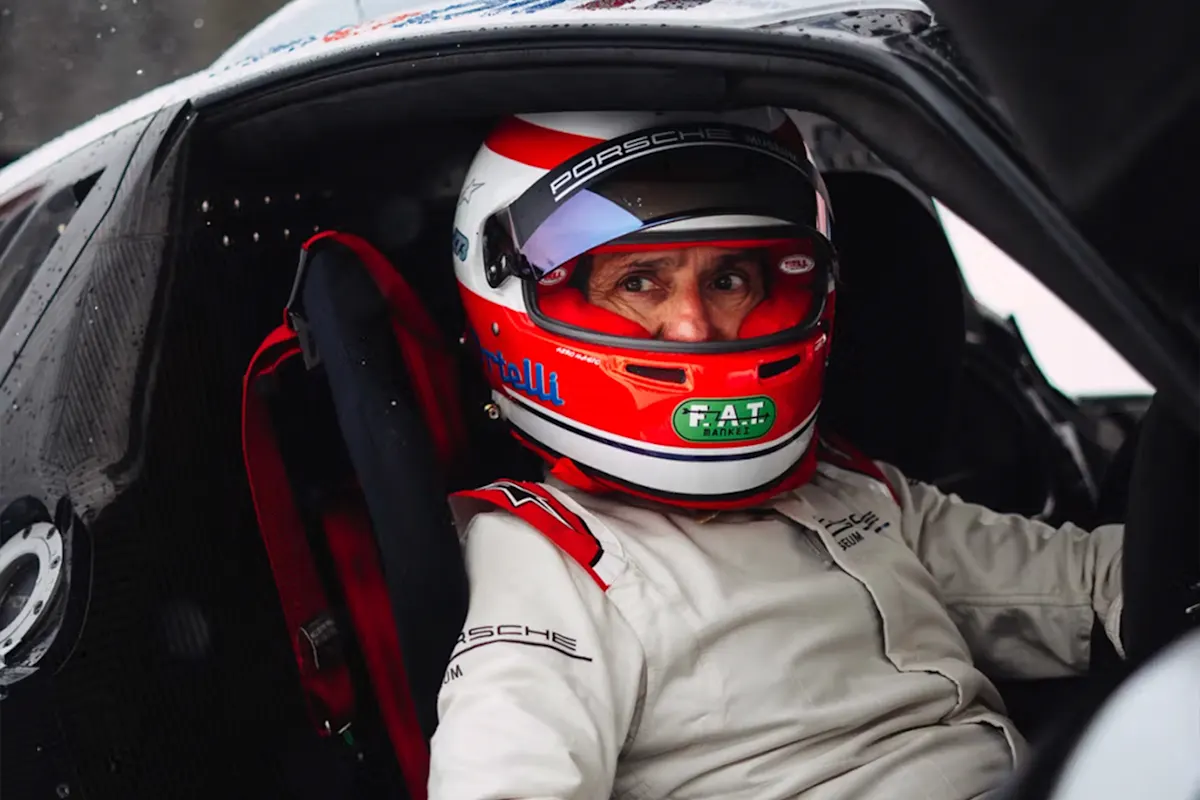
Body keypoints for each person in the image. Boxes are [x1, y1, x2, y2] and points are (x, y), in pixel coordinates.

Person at [430, 107, 1125, 800]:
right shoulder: (550, 558)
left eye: (727, 282)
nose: (694, 328)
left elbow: (1089, 584)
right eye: (639, 283)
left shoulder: (850, 486)